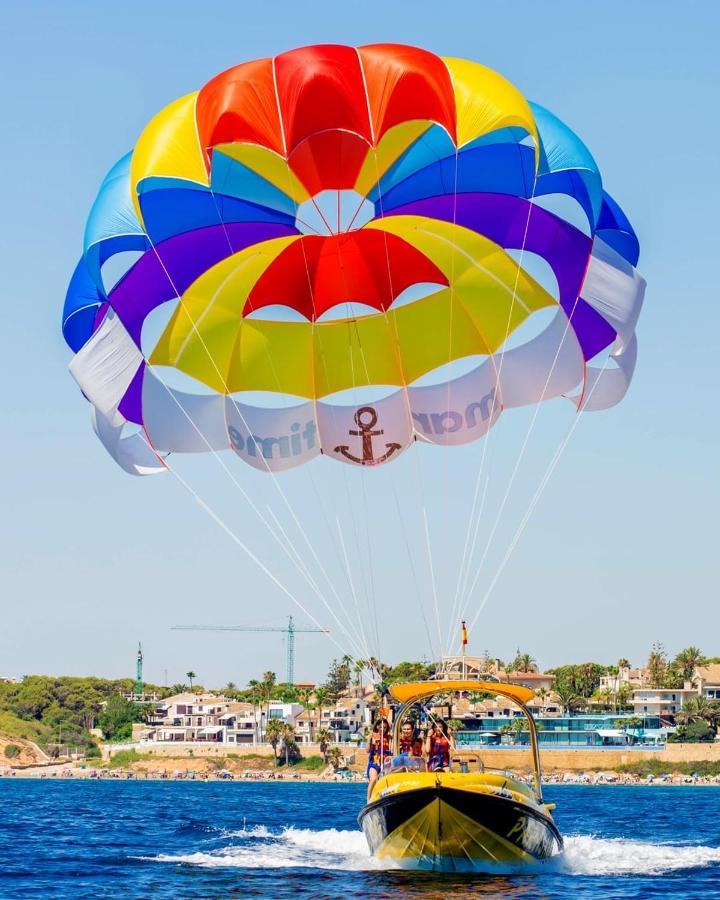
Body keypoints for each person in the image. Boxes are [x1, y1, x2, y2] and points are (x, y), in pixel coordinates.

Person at [366, 718, 391, 798]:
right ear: (377, 726)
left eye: (385, 728)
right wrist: (370, 741)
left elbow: (391, 750)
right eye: (381, 727)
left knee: (386, 781)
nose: (382, 729)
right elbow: (367, 750)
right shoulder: (372, 736)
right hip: (375, 762)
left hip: (386, 763)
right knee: (373, 779)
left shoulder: (389, 738)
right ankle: (368, 800)